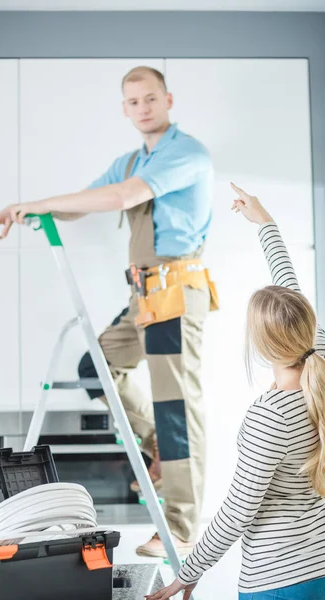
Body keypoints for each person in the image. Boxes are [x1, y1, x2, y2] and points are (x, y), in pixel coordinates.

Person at [0, 66, 215, 557]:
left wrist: (34, 202)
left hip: (174, 294)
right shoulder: (132, 158)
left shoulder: (186, 153)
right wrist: (26, 209)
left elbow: (123, 196)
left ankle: (180, 525)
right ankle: (158, 448)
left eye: (150, 98)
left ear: (168, 99)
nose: (143, 108)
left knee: (176, 407)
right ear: (124, 108)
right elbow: (85, 203)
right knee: (96, 369)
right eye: (133, 102)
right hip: (144, 297)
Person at [146, 183, 325, 600]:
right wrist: (264, 222)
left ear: (260, 347)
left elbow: (237, 512)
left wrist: (186, 574)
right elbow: (291, 292)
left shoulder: (271, 416)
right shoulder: (321, 351)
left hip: (278, 582)